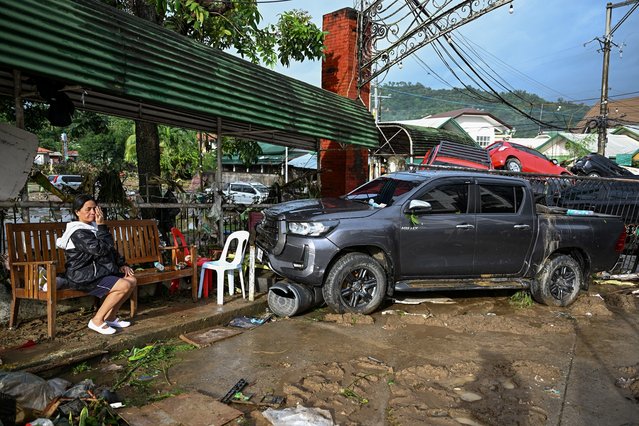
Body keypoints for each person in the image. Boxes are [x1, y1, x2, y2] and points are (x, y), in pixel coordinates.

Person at [56, 194, 137, 335]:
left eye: (95, 209)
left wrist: (122, 264)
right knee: (123, 285)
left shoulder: (92, 228)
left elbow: (110, 249)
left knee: (131, 280)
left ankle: (110, 318)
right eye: (88, 209)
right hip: (83, 276)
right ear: (77, 212)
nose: (93, 213)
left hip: (97, 272)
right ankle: (97, 320)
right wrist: (101, 226)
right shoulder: (78, 232)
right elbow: (100, 250)